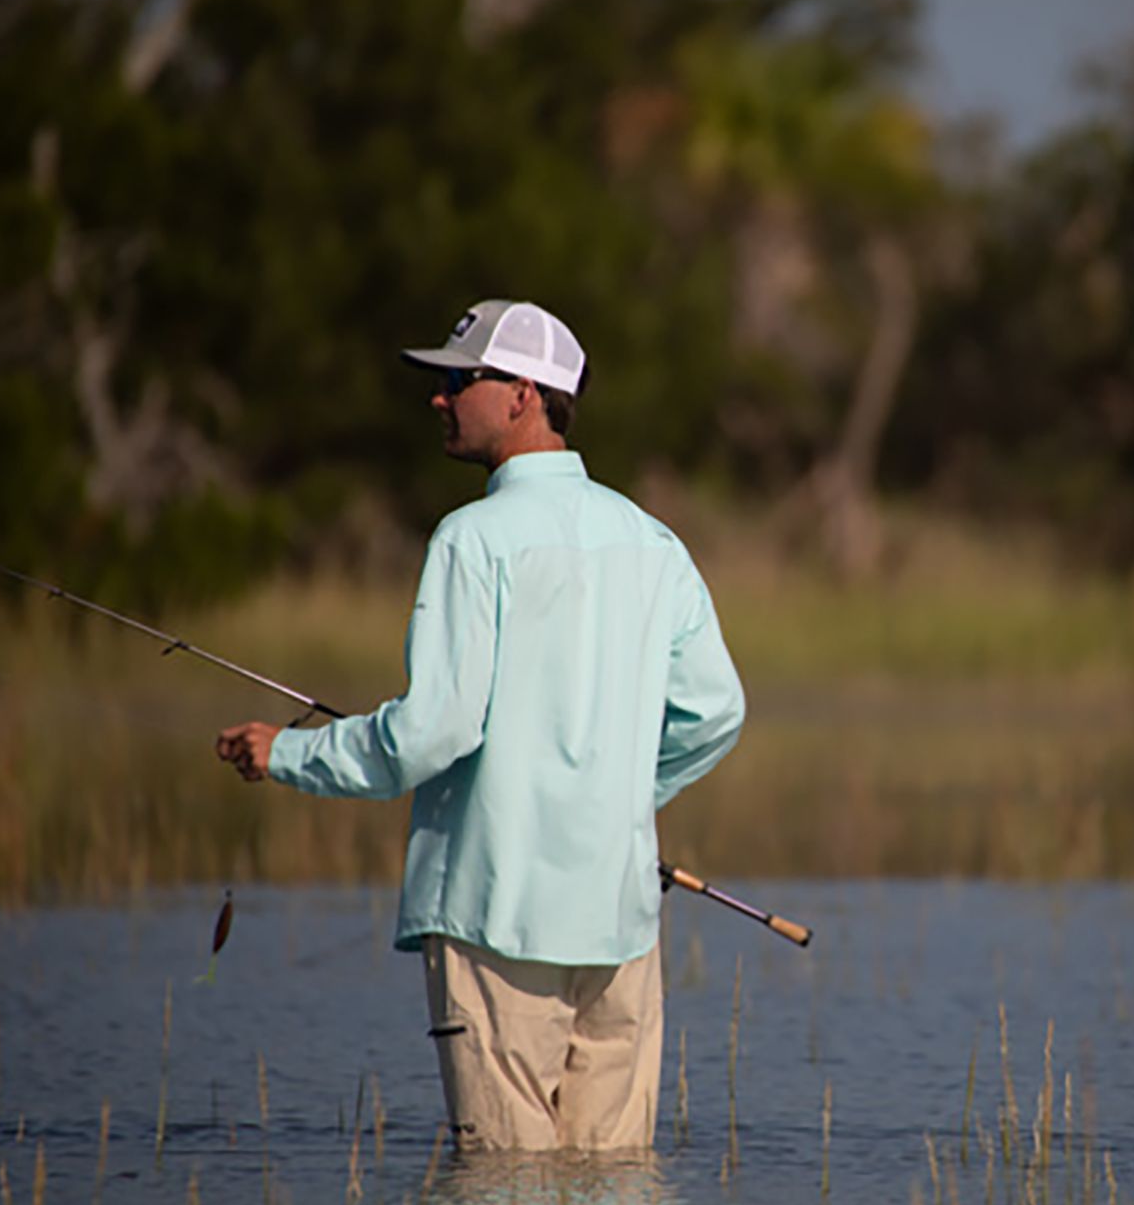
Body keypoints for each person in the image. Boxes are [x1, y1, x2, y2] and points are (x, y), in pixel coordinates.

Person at [215, 299, 745, 1151]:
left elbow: (432, 733)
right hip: (620, 925)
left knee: (502, 1187)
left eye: (460, 380)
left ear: (523, 396)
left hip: (495, 921)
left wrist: (291, 754)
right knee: (614, 1193)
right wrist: (614, 801)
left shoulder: (470, 539)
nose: (440, 397)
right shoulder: (653, 542)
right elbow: (716, 711)